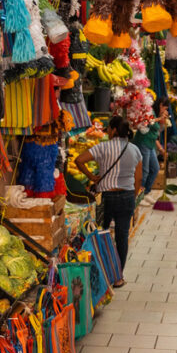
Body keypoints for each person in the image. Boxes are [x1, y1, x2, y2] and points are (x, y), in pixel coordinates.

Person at [74, 115, 142, 286]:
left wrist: (91, 176)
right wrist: (132, 197)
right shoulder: (135, 150)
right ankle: (118, 277)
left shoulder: (103, 147)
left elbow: (78, 160)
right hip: (127, 195)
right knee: (122, 236)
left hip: (106, 197)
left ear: (113, 130)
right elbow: (138, 178)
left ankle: (101, 274)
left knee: (100, 234)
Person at [134, 96, 169, 194]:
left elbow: (157, 133)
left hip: (150, 144)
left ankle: (146, 192)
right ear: (161, 105)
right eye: (165, 108)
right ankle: (139, 194)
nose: (165, 110)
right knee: (144, 171)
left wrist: (161, 150)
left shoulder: (157, 114)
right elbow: (148, 122)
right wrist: (160, 118)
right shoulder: (150, 112)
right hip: (143, 143)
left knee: (155, 168)